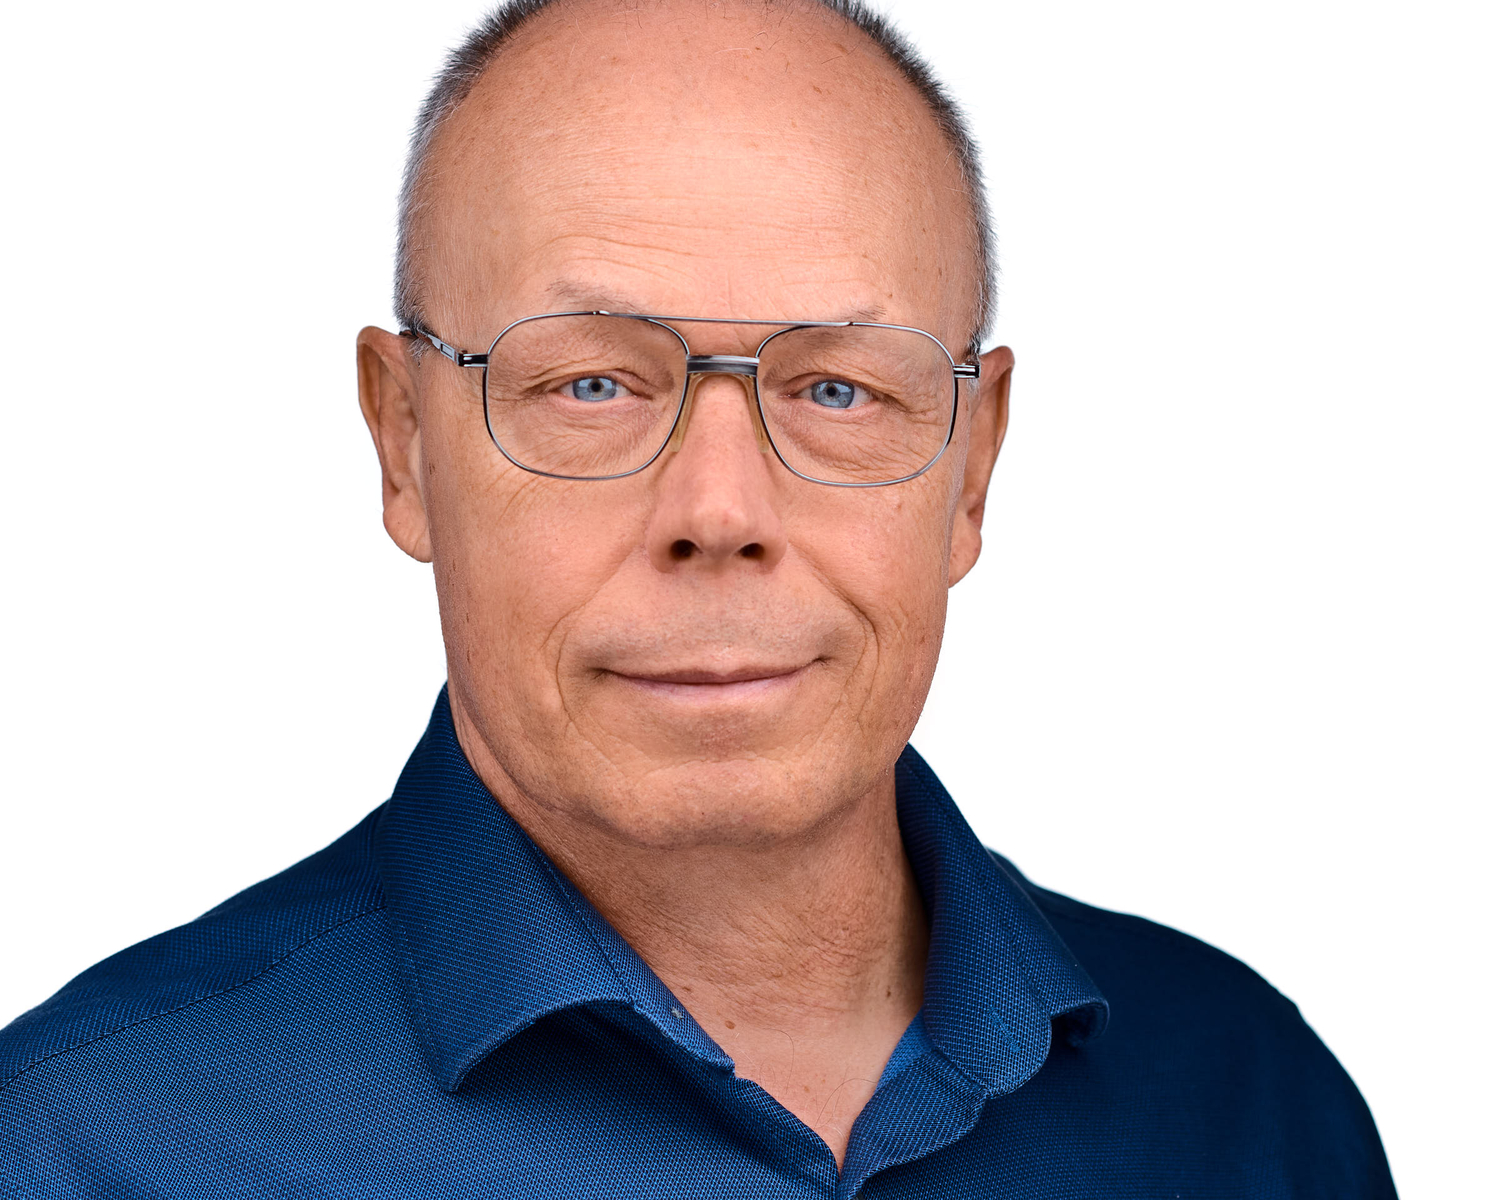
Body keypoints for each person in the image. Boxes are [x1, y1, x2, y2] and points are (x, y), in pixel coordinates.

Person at [0, 0, 1396, 1195]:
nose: (720, 513)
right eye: (591, 383)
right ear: (404, 444)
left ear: (972, 467)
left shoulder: (1248, 1102)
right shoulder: (83, 1149)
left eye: (838, 388)